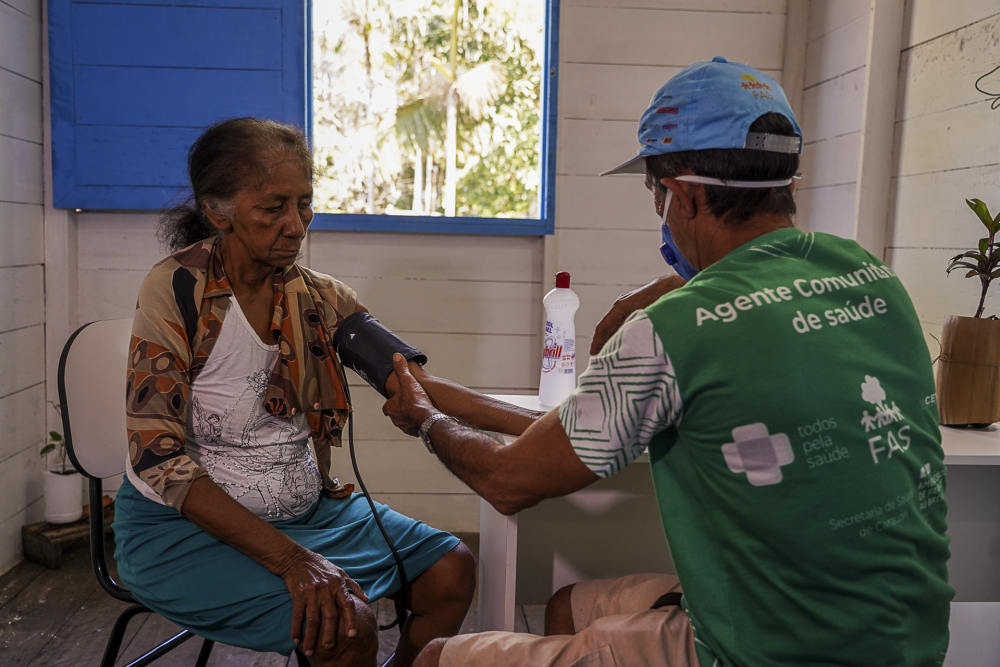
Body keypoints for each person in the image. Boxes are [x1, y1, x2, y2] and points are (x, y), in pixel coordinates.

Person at [382, 57, 953, 667]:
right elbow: (580, 428)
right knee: (571, 606)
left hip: (762, 652)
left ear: (682, 196)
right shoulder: (872, 278)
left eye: (655, 193)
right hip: (903, 642)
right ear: (786, 183)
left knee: (437, 657)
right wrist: (677, 284)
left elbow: (507, 480)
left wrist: (425, 419)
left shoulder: (674, 330)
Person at [115, 117, 539, 667]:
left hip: (309, 515)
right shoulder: (177, 289)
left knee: (450, 568)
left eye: (305, 203)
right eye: (273, 208)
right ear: (219, 211)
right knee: (344, 624)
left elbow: (417, 385)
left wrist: (550, 426)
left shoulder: (320, 297)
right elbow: (157, 458)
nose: (296, 226)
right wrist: (293, 562)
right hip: (183, 530)